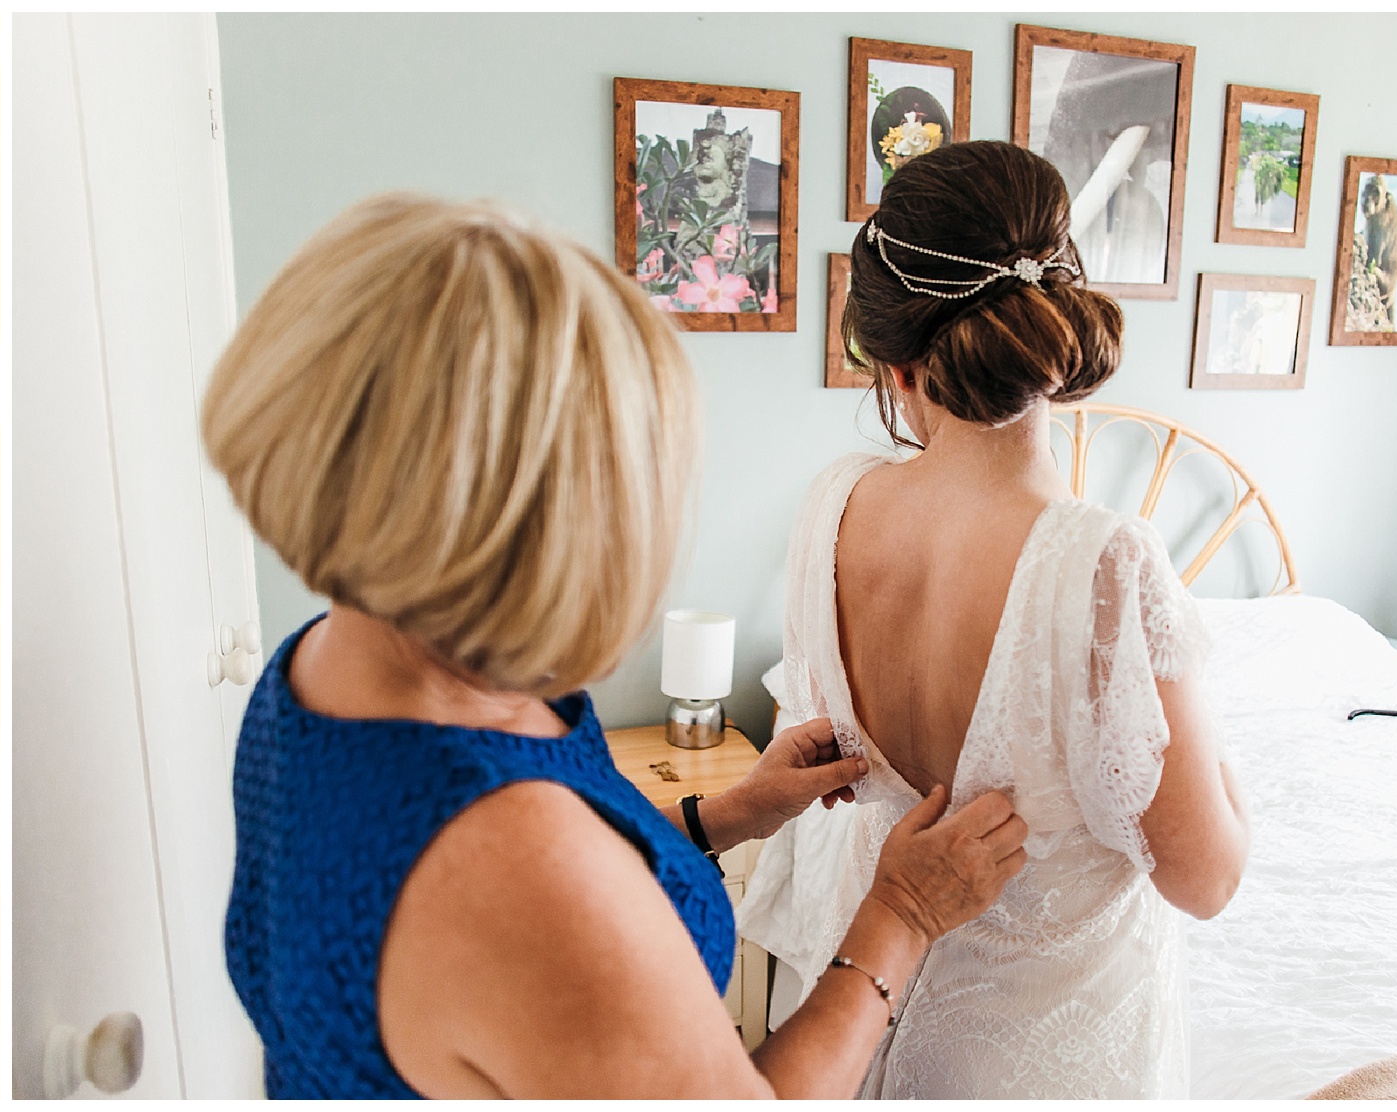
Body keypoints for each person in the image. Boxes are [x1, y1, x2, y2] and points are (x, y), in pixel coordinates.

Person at [202, 193, 1027, 1098]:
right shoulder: (519, 877)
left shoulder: (320, 663)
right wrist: (899, 917)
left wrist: (728, 816)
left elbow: (539, 886)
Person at [736, 141, 1251, 1098]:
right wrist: (1221, 759)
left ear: (891, 363)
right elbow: (1208, 882)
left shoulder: (831, 510)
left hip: (860, 1017)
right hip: (1037, 1058)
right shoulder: (1106, 565)